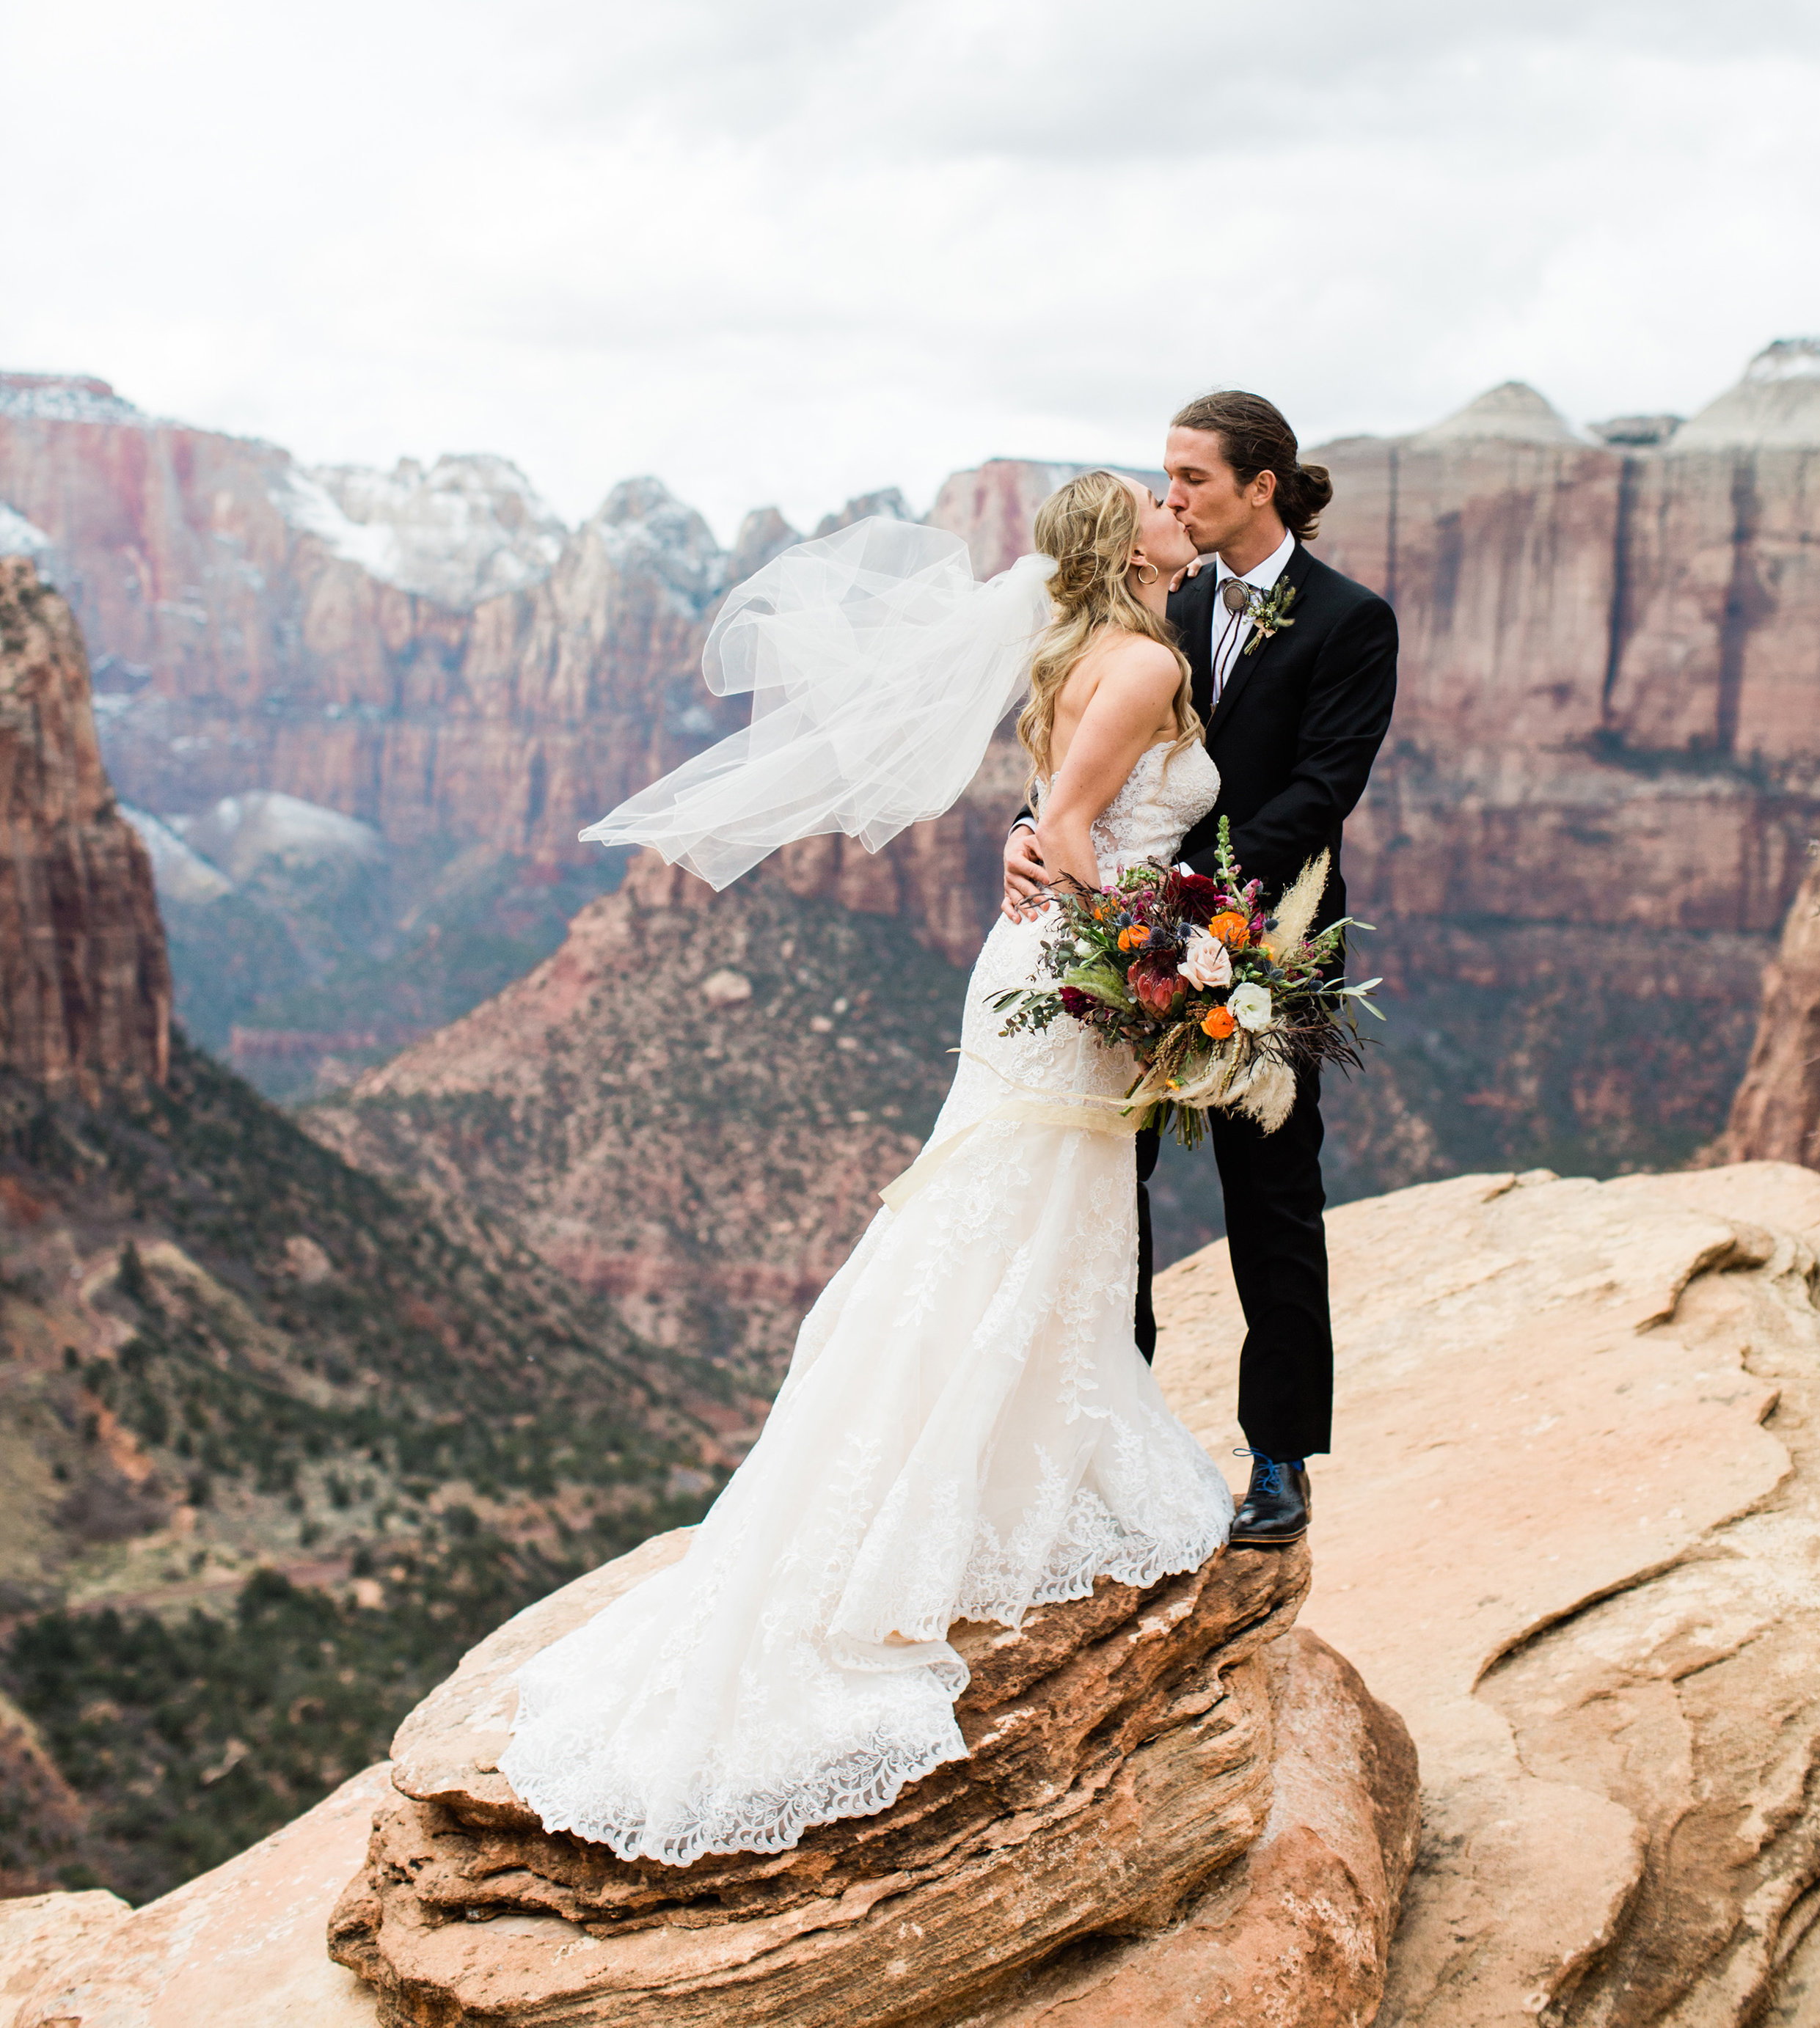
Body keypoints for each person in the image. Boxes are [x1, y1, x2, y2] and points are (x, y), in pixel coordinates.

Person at [499, 472, 1235, 1867]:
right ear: (1120, 545)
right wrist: (1153, 971)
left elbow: (1053, 819)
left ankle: (996, 1459)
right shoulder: (1140, 656)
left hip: (1038, 968)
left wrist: (1091, 909)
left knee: (1023, 1218)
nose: (1171, 506)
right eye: (1152, 499)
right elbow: (1074, 831)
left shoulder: (1095, 646)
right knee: (1016, 1214)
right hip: (1072, 978)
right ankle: (940, 1498)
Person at [1004, 391, 1398, 1550]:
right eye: (1163, 481)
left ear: (1261, 485)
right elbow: (1095, 754)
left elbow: (1321, 791)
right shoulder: (1157, 601)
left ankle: (1280, 1459)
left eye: (1192, 478)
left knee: (1273, 1201)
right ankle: (1109, 1456)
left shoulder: (1348, 621)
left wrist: (1192, 907)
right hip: (1116, 940)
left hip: (1262, 948)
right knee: (1101, 1198)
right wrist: (1034, 826)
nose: (1170, 497)